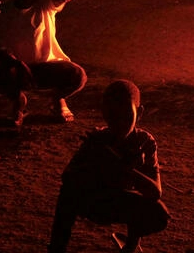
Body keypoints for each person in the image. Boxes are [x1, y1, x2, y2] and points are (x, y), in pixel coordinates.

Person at [47, 80, 169, 253]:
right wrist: (94, 160)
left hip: (119, 201)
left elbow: (155, 192)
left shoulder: (144, 142)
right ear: (104, 113)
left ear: (139, 113)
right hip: (95, 202)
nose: (119, 123)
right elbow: (67, 177)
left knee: (158, 213)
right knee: (68, 192)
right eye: (112, 116)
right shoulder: (98, 140)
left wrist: (128, 169)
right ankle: (57, 248)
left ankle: (131, 246)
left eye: (126, 116)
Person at [0, 0, 86, 125]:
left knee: (78, 75)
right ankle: (18, 103)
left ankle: (57, 99)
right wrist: (11, 61)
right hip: (20, 69)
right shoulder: (6, 11)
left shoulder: (46, 3)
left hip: (49, 67)